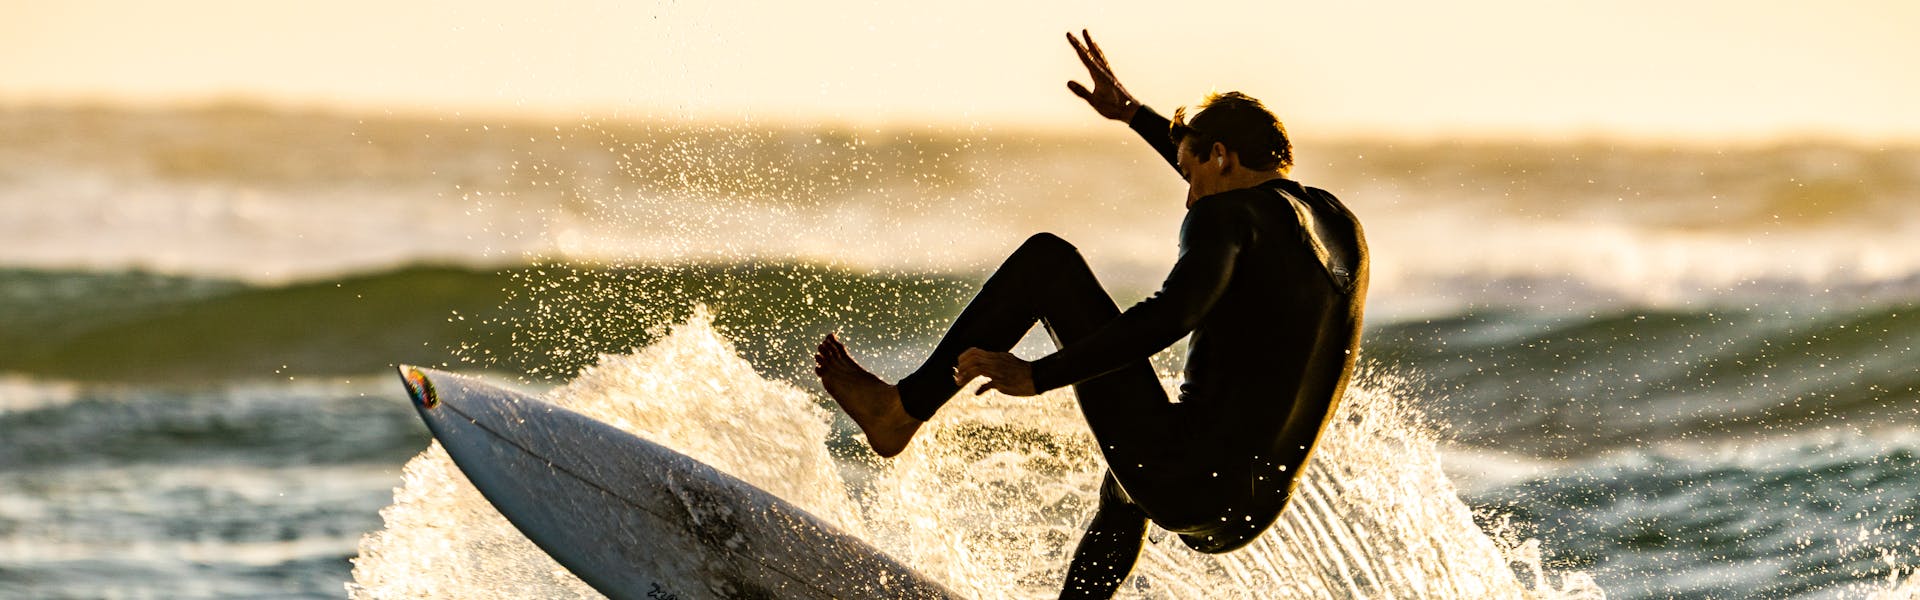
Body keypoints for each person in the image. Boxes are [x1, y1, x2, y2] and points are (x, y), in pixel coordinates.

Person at [814, 30, 1368, 598]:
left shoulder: (1223, 216)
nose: (1188, 197)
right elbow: (1232, 196)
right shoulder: (1336, 226)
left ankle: (897, 411)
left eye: (1192, 174)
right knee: (1125, 486)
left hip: (1185, 478)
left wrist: (1037, 375)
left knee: (1047, 263)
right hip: (1248, 510)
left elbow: (1169, 316)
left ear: (1222, 157)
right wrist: (1132, 114)